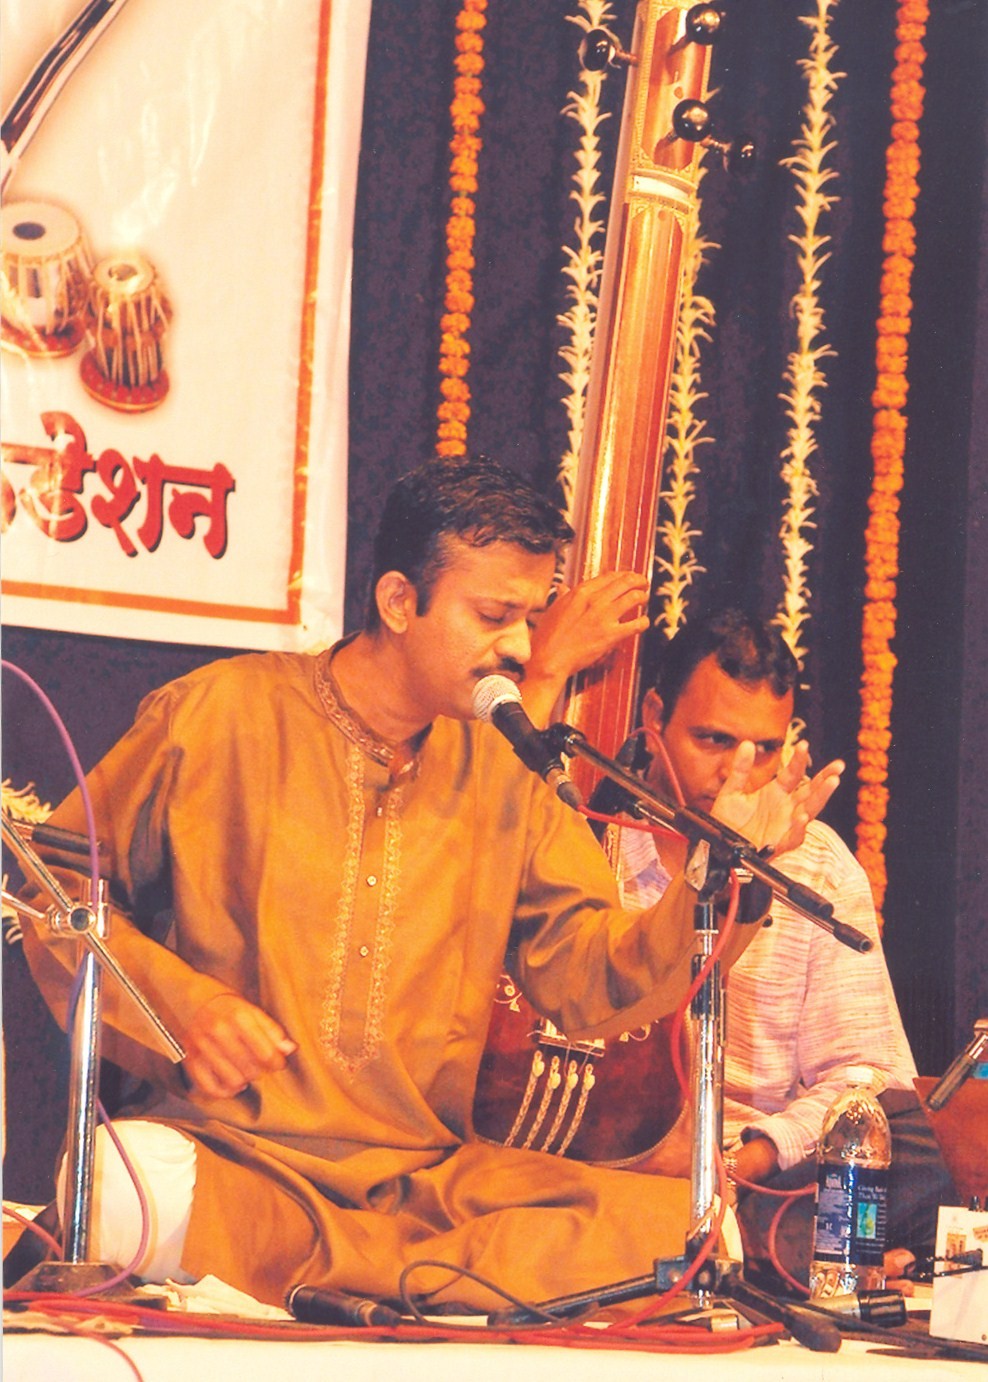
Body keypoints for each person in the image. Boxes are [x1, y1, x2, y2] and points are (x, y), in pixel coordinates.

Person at [17, 458, 841, 1313]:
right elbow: (55, 893)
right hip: (238, 1158)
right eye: (495, 616)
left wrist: (725, 877)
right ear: (399, 601)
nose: (522, 648)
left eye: (529, 618)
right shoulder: (217, 714)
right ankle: (408, 1292)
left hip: (429, 1184)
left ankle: (333, 1285)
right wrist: (180, 1006)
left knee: (684, 1225)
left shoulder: (506, 766)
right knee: (121, 1182)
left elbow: (593, 981)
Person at [600, 608, 954, 1286]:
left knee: (920, 1138)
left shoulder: (818, 866)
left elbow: (863, 1075)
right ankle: (795, 1259)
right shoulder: (589, 845)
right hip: (627, 1158)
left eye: (764, 749)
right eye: (713, 739)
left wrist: (747, 1158)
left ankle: (748, 1249)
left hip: (764, 1171)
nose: (740, 772)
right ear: (653, 716)